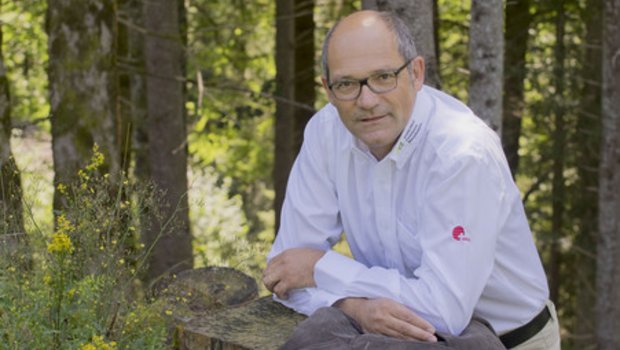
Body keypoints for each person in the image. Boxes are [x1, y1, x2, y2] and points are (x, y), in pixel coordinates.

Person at [263, 10, 561, 350]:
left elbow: (443, 311)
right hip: (388, 335)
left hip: (511, 340)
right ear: (328, 90)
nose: (367, 100)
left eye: (383, 76)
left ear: (416, 73)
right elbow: (287, 275)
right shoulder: (326, 133)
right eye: (347, 84)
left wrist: (321, 268)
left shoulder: (461, 152)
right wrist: (356, 307)